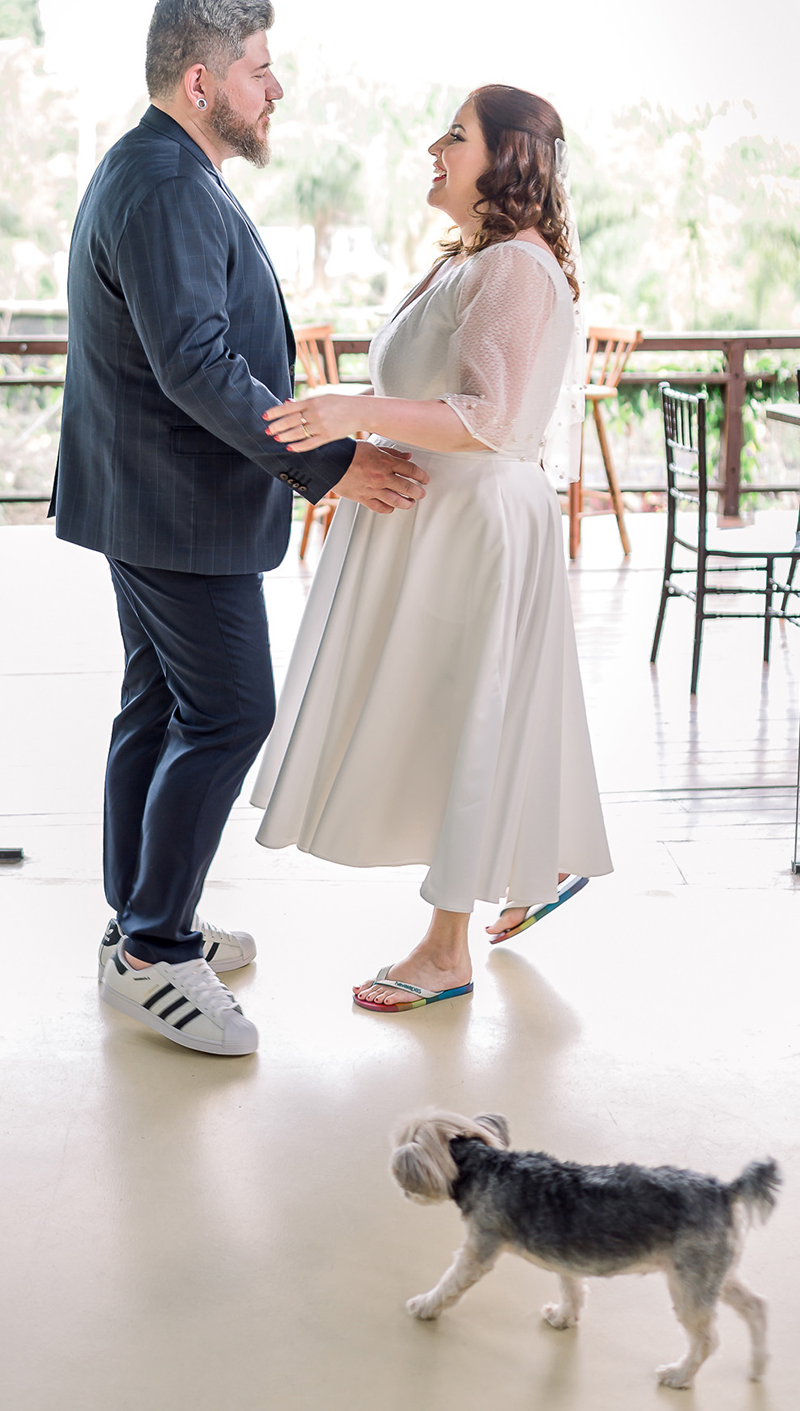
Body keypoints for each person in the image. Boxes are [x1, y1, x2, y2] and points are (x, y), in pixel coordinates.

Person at [52, 0, 429, 1056]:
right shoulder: (166, 181)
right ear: (202, 81)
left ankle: (140, 920)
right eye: (261, 68)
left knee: (159, 705)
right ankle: (155, 955)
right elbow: (199, 366)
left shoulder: (156, 168)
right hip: (176, 508)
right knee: (225, 716)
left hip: (148, 501)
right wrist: (334, 461)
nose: (277, 87)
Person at [252, 84, 613, 1012]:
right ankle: (535, 859)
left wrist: (352, 410)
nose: (434, 147)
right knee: (471, 709)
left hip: (471, 526)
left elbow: (489, 419)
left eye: (456, 135)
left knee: (470, 713)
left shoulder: (516, 272)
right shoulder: (488, 263)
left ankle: (447, 948)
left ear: (509, 159)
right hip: (444, 520)